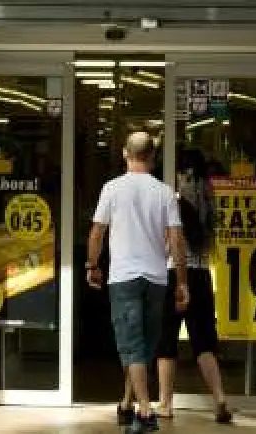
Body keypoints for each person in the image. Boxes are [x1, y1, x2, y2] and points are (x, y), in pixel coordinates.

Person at [87, 132, 189, 434]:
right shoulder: (165, 193)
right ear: (153, 157)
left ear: (124, 154)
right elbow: (177, 240)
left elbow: (97, 232)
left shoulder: (112, 189)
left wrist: (92, 265)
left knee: (132, 346)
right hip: (156, 278)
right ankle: (126, 402)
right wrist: (182, 282)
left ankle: (145, 411)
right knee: (143, 345)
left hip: (124, 277)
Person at [153, 148, 233, 424]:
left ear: (181, 172)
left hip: (173, 274)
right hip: (201, 274)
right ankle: (220, 398)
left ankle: (165, 403)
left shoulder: (173, 202)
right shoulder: (210, 200)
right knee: (204, 342)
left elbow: (170, 243)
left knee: (166, 341)